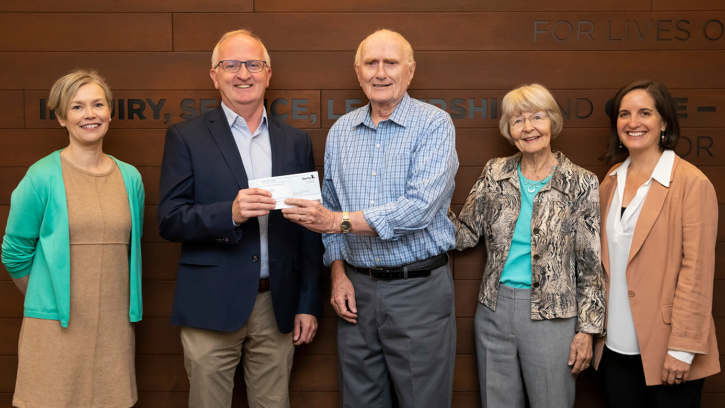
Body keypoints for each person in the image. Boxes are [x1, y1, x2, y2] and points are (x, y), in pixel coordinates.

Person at [280, 29, 458, 408]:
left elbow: (420, 208)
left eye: (390, 63)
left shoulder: (434, 125)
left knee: (422, 400)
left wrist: (336, 222)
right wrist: (339, 273)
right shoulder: (341, 132)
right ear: (357, 72)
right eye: (371, 63)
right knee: (360, 400)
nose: (380, 73)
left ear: (409, 71)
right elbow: (328, 203)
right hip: (356, 293)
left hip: (418, 290)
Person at [157, 29, 322, 408]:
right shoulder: (186, 137)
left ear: (268, 73)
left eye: (253, 64)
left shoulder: (295, 141)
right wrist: (228, 213)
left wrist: (308, 302)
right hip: (210, 304)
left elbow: (309, 230)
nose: (242, 73)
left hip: (276, 305)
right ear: (214, 75)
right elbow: (169, 219)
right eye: (230, 65)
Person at [449, 84, 606, 408]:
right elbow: (464, 234)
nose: (529, 127)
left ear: (552, 122)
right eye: (518, 120)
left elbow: (591, 266)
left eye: (537, 117)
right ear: (509, 129)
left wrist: (588, 330)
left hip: (554, 317)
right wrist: (428, 205)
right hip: (494, 311)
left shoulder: (581, 182)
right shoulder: (495, 172)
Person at [1, 69, 144, 408]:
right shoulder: (41, 176)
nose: (90, 114)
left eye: (98, 104)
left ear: (110, 112)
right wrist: (46, 292)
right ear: (61, 117)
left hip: (113, 327)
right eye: (77, 107)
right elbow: (14, 252)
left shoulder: (130, 177)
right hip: (54, 327)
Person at [594, 79, 720, 408]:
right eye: (624, 114)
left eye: (644, 113)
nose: (633, 122)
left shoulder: (692, 183)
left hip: (669, 350)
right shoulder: (609, 182)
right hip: (614, 350)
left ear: (664, 121)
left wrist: (683, 349)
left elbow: (697, 273)